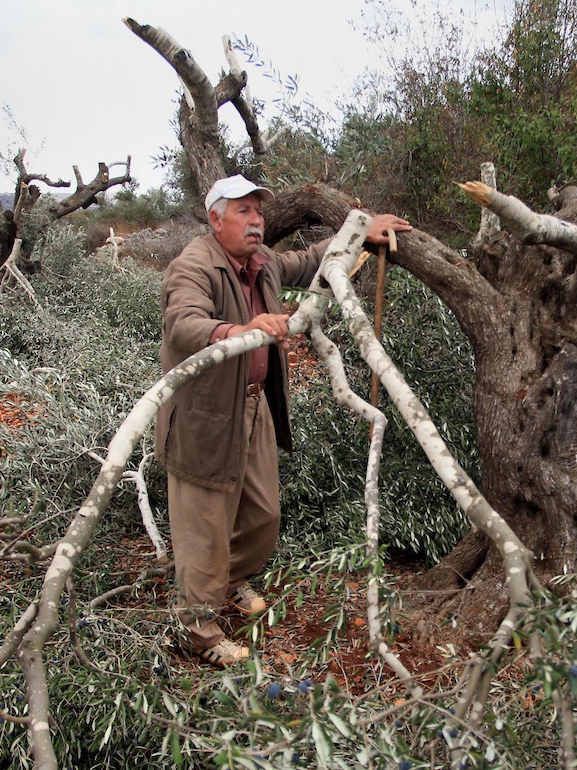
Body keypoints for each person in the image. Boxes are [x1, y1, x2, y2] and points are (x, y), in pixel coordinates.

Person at [157, 174, 411, 667]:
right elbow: (183, 322)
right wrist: (239, 330)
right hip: (204, 420)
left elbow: (309, 260)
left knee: (263, 516)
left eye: (259, 212)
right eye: (244, 212)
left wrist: (362, 230)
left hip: (253, 408)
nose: (256, 222)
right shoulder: (193, 265)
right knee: (204, 529)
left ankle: (229, 581)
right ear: (215, 219)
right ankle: (199, 632)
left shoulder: (262, 263)